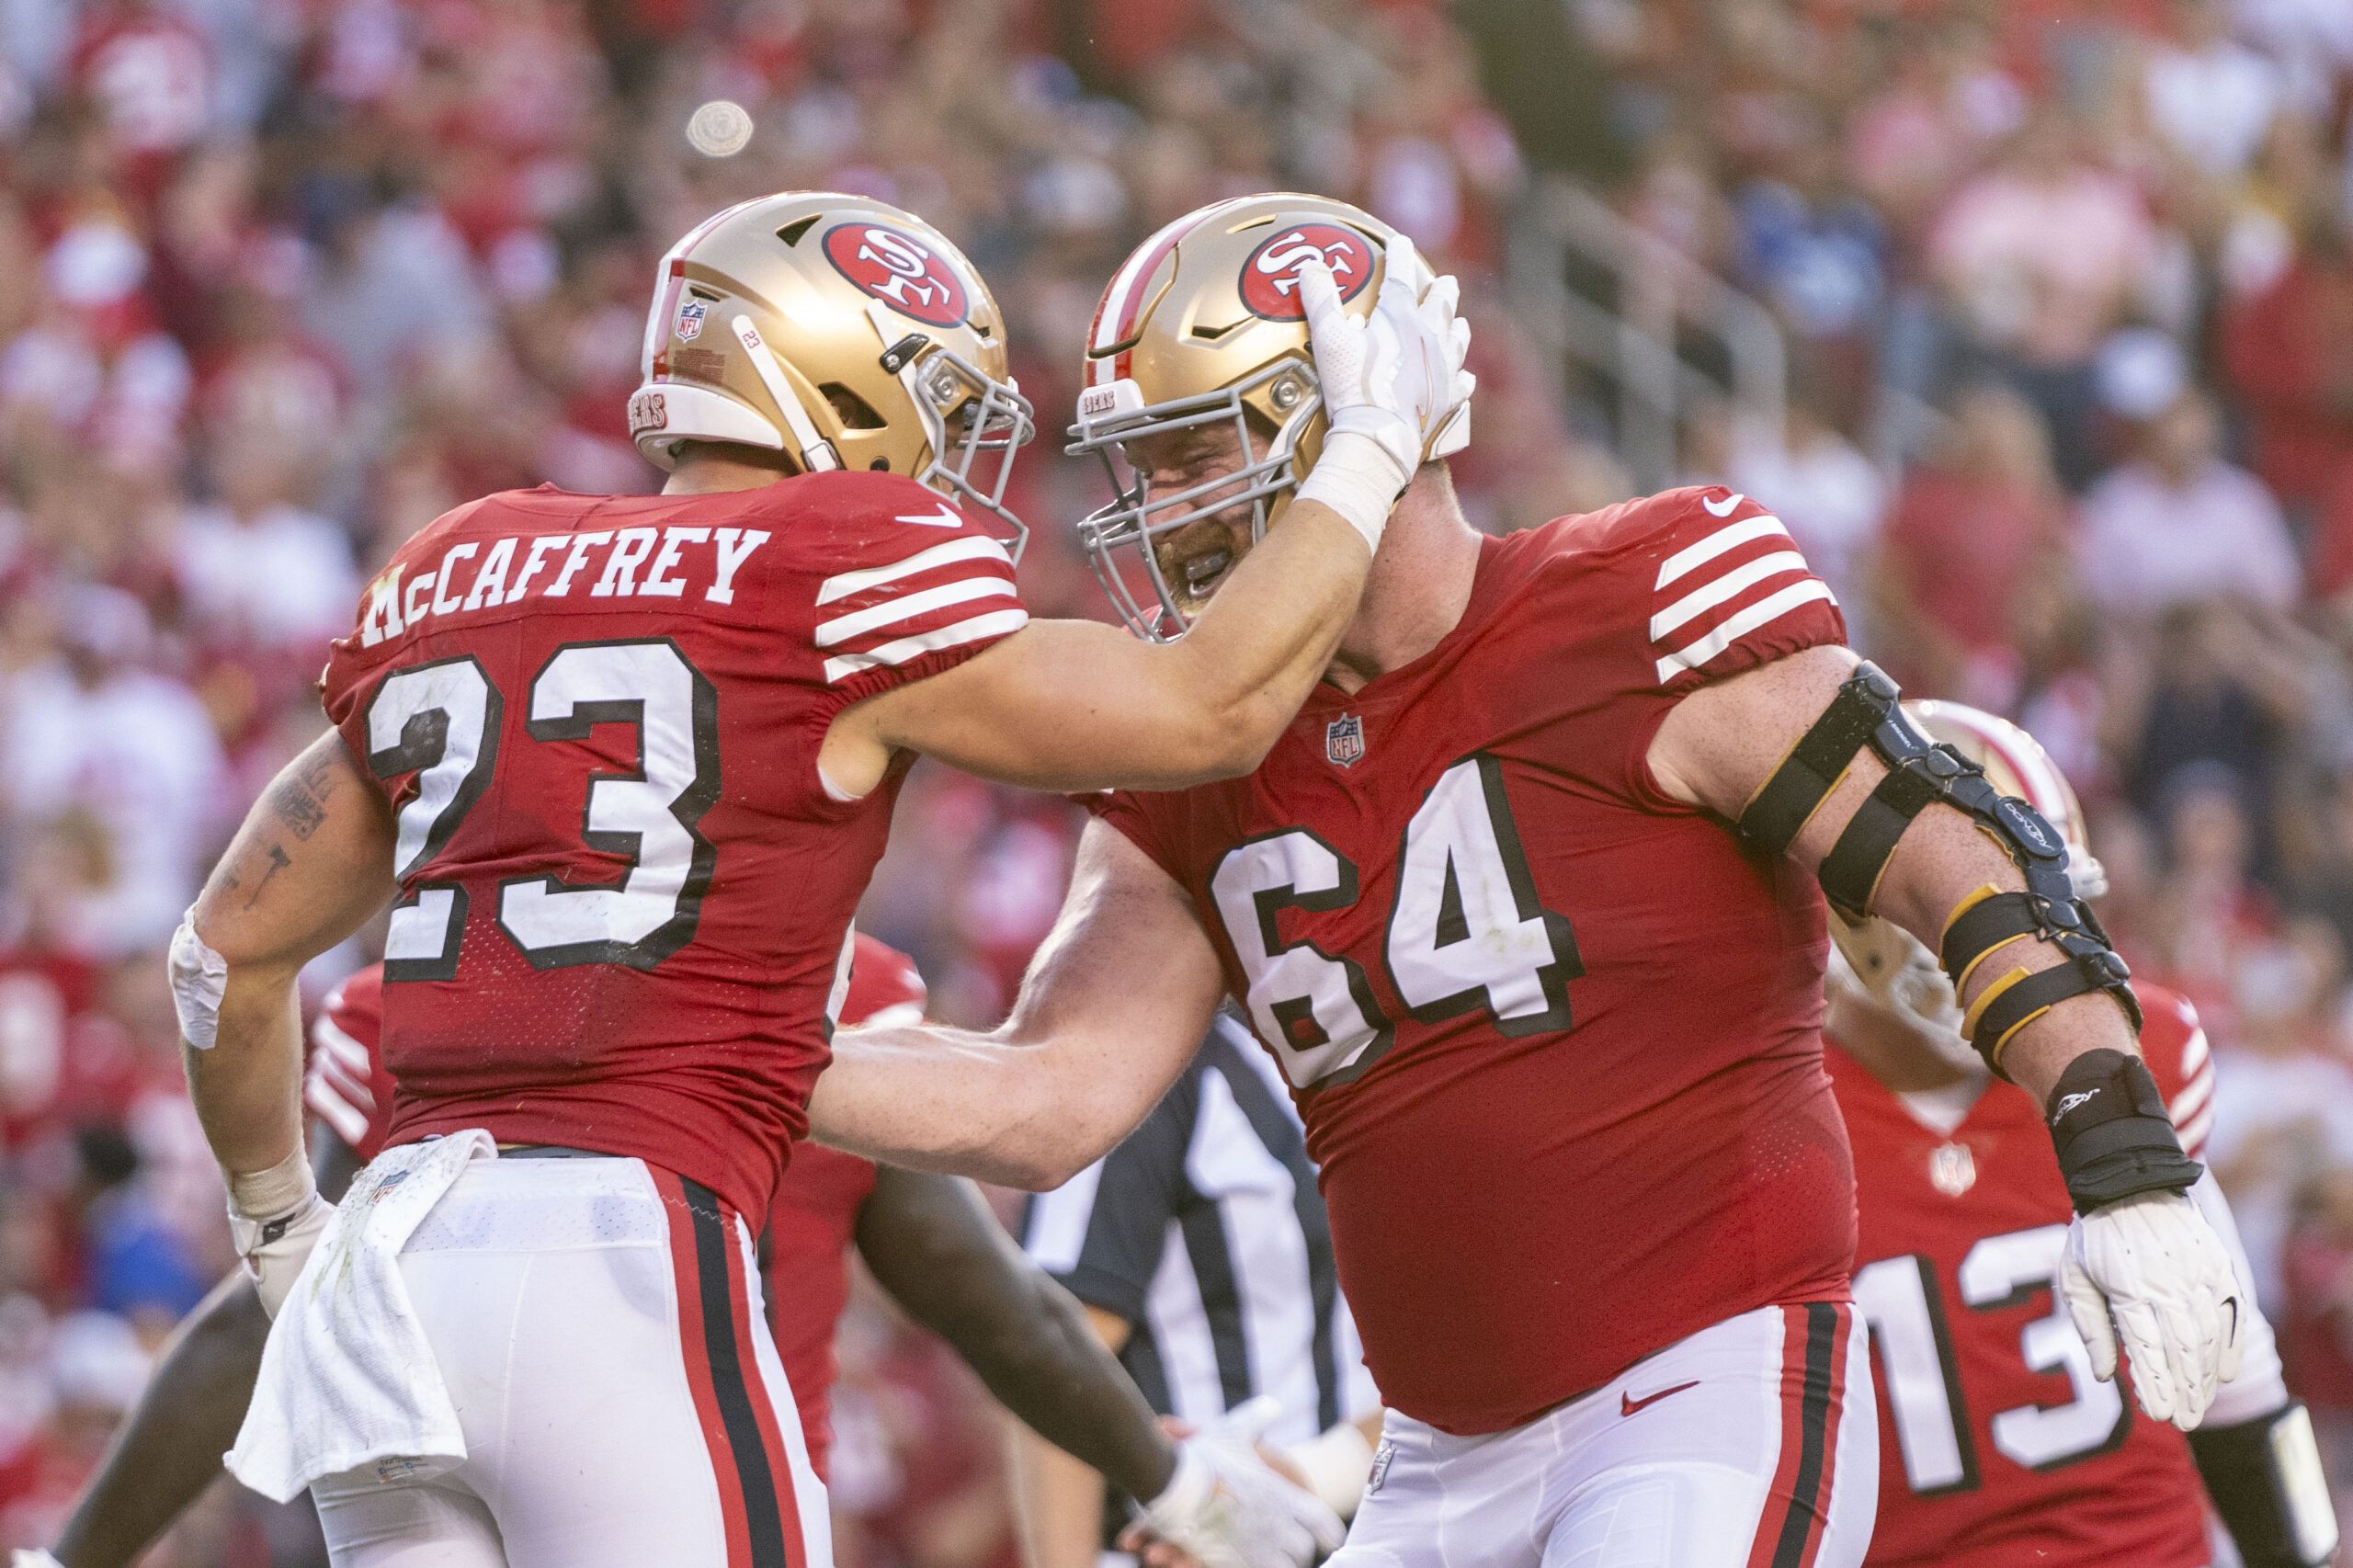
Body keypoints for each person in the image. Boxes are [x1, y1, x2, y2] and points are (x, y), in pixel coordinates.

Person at [808, 190, 2248, 1568]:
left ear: (1345, 425)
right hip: (1434, 1456)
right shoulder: (1192, 764)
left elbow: (1955, 861)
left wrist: (2120, 1153)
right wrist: (730, 1048)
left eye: (1194, 455)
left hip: (1704, 1387)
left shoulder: (1640, 602)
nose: (1159, 512)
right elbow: (1049, 1096)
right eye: (1147, 466)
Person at [163, 189, 1469, 1568]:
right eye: (937, 402)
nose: (951, 458)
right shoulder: (833, 556)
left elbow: (220, 957)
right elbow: (1204, 711)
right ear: (836, 376)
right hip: (623, 1242)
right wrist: (1370, 447)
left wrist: (279, 1225)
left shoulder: (460, 560)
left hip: (390, 1280)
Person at [28, 938, 1226, 1568]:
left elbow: (276, 1308)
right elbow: (991, 1306)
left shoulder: (421, 994)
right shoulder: (830, 990)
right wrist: (1179, 1485)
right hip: (710, 1499)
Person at [1825, 702, 2336, 1568]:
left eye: (2044, 905)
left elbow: (2244, 1389)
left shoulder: (2142, 1059)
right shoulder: (1775, 1110)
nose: (2033, 942)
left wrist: (2312, 1555)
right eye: (1997, 913)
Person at [1017, 1013, 1384, 1565]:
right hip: (1185, 1548)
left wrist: (1318, 1472)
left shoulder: (1374, 1042)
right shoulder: (1140, 1072)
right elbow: (1057, 1365)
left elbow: (1464, 1345)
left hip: (1375, 1527)